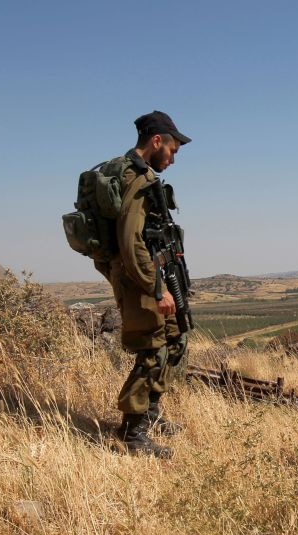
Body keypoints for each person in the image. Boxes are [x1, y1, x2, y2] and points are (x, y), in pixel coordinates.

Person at [97, 111, 192, 458]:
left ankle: (149, 414)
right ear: (156, 141)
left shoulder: (137, 174)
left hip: (147, 273)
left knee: (175, 337)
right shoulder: (135, 178)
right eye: (173, 149)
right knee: (152, 348)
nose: (174, 157)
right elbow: (130, 240)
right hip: (139, 277)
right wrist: (156, 288)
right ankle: (132, 434)